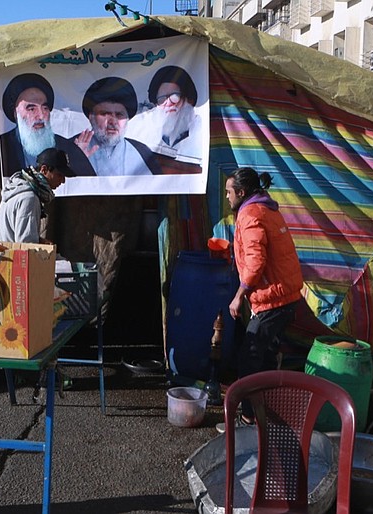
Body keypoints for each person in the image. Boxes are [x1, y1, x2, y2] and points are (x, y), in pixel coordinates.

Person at [216, 167, 304, 433]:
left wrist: (238, 296)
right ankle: (266, 420)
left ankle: (248, 420)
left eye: (229, 192)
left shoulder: (251, 214)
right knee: (265, 357)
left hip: (273, 300)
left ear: (241, 193)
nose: (227, 197)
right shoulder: (267, 209)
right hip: (285, 297)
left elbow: (256, 262)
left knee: (249, 358)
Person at [69, 76, 161, 176]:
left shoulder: (142, 152)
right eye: (104, 114)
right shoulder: (70, 147)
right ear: (91, 117)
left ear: (127, 119)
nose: (113, 122)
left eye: (119, 115)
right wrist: (76, 161)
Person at [0, 147, 74, 243]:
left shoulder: (17, 190)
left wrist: (40, 241)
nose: (63, 181)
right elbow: (26, 245)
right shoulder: (29, 198)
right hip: (9, 257)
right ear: (44, 170)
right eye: (59, 175)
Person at [0, 73, 74, 175]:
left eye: (45, 108)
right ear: (15, 113)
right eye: (31, 109)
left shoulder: (67, 147)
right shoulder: (3, 146)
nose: (41, 116)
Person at [126, 65, 202, 164]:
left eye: (175, 96)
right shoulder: (138, 128)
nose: (168, 103)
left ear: (187, 99)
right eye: (162, 99)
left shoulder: (201, 129)